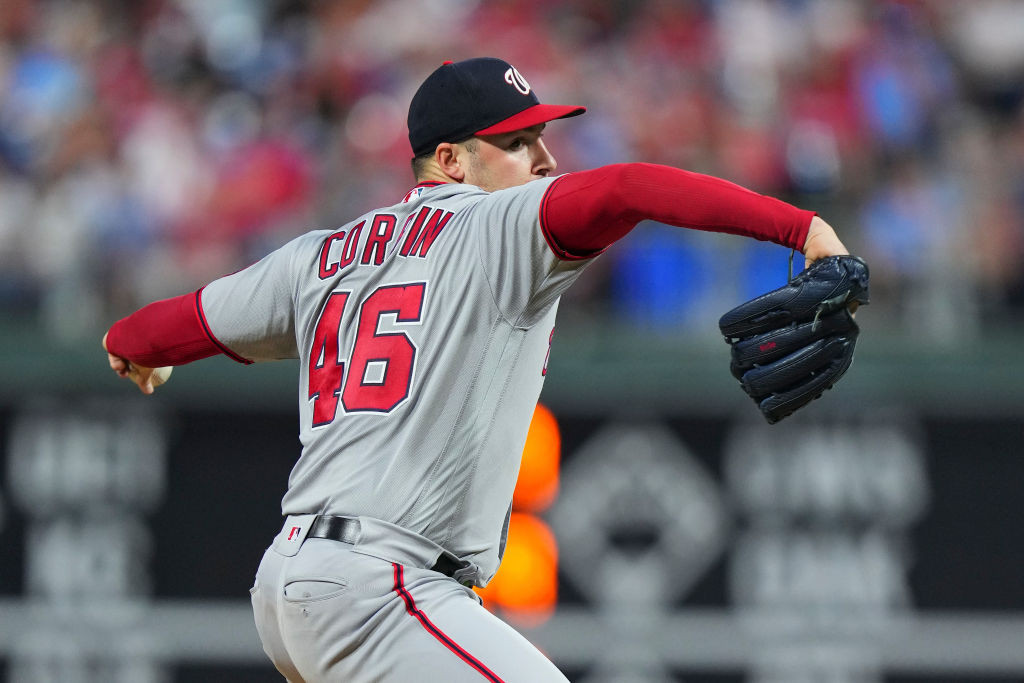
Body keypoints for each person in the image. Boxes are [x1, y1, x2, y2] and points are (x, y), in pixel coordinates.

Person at [103, 57, 849, 682]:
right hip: (383, 586)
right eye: (520, 142)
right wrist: (802, 228)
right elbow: (628, 189)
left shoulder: (317, 255)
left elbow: (174, 322)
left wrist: (138, 350)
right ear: (453, 162)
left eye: (542, 138)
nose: (547, 160)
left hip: (293, 581)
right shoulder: (493, 224)